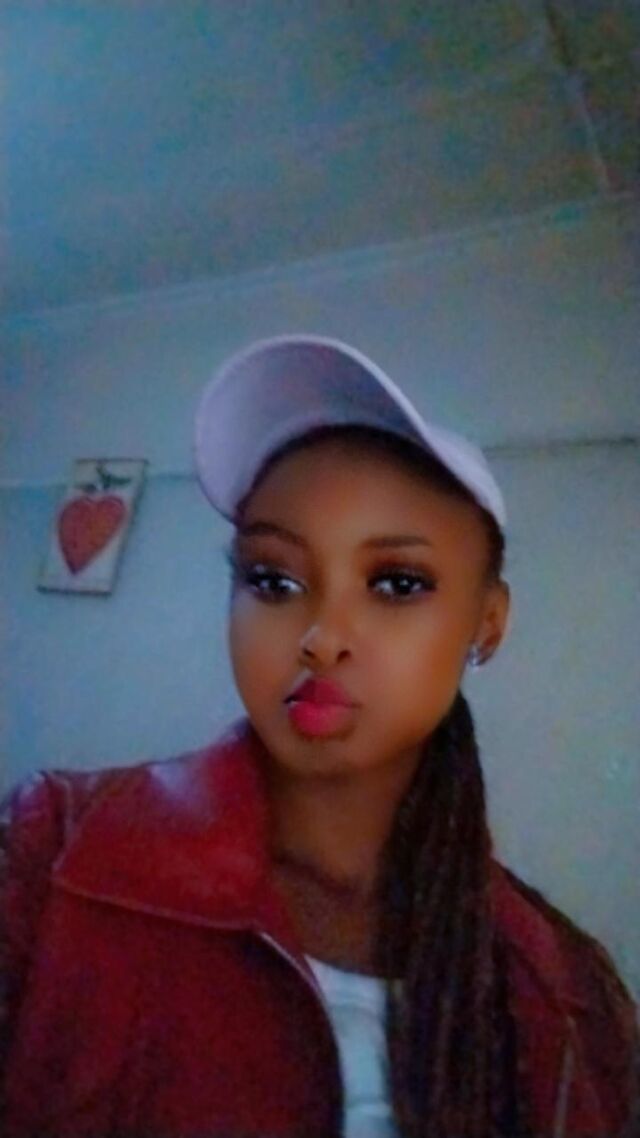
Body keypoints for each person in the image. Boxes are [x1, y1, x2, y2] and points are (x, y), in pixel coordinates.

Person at [0, 335, 638, 1138]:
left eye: (395, 583)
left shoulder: (569, 993)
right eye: (273, 579)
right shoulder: (50, 854)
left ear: (488, 622)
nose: (322, 637)